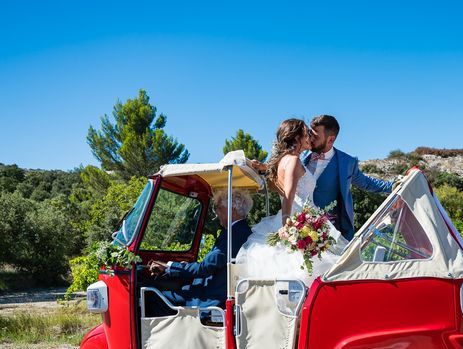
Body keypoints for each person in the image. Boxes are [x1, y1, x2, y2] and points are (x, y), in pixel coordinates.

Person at [237, 118, 346, 284]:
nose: (310, 136)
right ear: (297, 138)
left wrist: (264, 167)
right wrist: (287, 224)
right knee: (313, 271)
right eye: (306, 133)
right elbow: (289, 195)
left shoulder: (284, 160)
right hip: (298, 221)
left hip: (302, 218)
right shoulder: (293, 160)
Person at [149, 189, 253, 308]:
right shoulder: (241, 232)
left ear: (232, 209)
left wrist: (169, 266)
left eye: (218, 207)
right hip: (212, 291)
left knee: (153, 296)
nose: (216, 213)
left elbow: (204, 268)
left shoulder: (233, 235)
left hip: (210, 297)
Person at [305, 115, 393, 240]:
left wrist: (393, 185)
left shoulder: (347, 162)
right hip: (296, 223)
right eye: (310, 133)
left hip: (327, 230)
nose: (311, 138)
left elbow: (367, 183)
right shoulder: (300, 154)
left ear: (330, 139)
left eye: (316, 136)